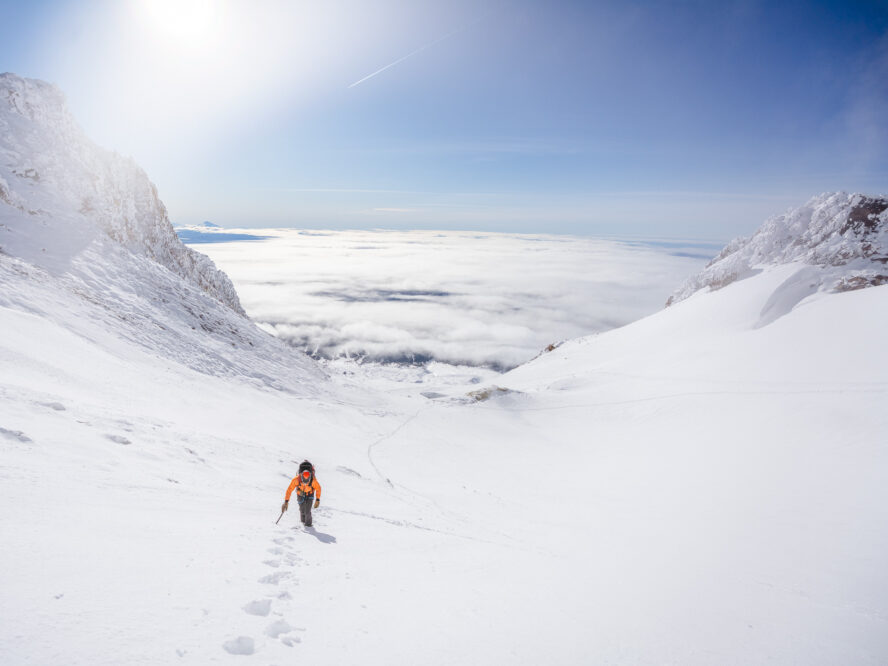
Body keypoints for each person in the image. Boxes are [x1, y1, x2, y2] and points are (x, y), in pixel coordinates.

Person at [281, 460, 321, 527]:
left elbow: (318, 489)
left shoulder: (313, 480)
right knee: (302, 510)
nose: (305, 483)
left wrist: (317, 499)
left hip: (310, 494)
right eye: (303, 482)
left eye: (307, 482)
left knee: (307, 511)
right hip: (300, 493)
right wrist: (286, 501)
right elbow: (289, 490)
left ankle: (308, 525)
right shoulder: (296, 480)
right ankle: (302, 523)